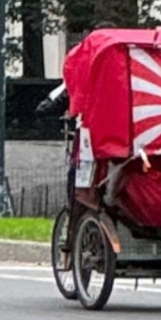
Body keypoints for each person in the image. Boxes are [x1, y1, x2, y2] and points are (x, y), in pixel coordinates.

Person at [35, 21, 117, 204]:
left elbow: (53, 102)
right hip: (124, 131)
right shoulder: (124, 60)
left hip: (89, 129)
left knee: (81, 172)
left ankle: (79, 205)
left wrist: (48, 113)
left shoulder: (83, 62)